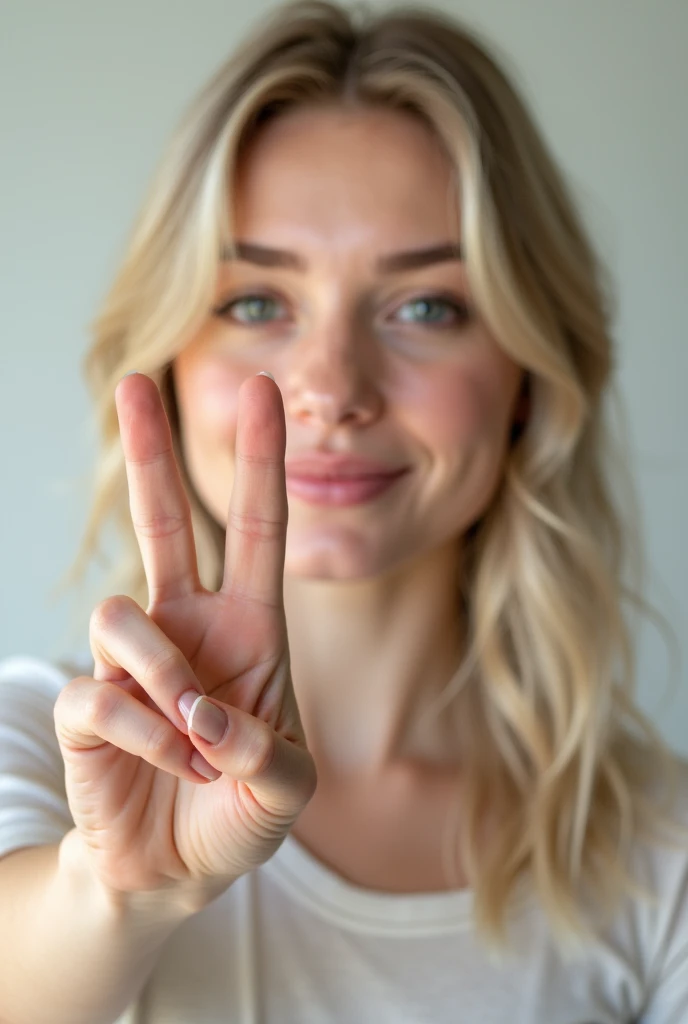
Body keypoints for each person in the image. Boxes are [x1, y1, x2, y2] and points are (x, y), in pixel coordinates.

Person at [0, 1, 686, 1021]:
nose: (329, 385)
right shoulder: (46, 747)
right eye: (256, 302)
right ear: (172, 363)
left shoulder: (658, 852)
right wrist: (119, 891)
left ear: (528, 381)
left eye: (426, 306)